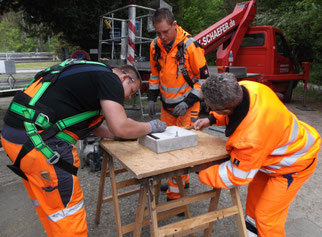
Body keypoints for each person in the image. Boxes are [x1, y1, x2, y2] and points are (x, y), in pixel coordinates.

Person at [1, 59, 166, 237]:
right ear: (126, 77)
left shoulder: (86, 72)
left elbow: (90, 125)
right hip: (41, 145)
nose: (126, 98)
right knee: (68, 216)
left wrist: (118, 135)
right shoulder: (109, 78)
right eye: (131, 91)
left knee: (53, 210)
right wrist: (150, 127)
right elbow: (121, 126)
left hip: (16, 138)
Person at [194, 73, 321, 237]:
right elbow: (237, 110)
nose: (210, 110)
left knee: (266, 218)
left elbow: (236, 175)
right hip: (271, 158)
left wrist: (202, 171)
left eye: (212, 109)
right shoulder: (247, 86)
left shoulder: (249, 139)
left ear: (225, 110)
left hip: (294, 166)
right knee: (253, 209)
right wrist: (212, 119)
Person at [147, 8, 209, 201]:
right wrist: (151, 97)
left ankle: (175, 195)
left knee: (182, 149)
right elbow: (155, 74)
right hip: (167, 107)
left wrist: (189, 101)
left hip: (187, 107)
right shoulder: (155, 46)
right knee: (167, 145)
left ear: (174, 25)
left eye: (165, 31)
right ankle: (182, 180)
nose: (162, 36)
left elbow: (204, 80)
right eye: (158, 32)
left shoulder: (191, 46)